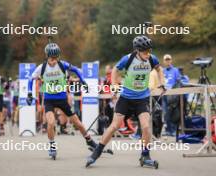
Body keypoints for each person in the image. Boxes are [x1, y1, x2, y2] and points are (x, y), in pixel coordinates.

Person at [86, 35, 165, 168]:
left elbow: (159, 69)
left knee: (146, 126)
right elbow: (115, 70)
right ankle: (97, 152)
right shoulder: (128, 59)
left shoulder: (152, 58)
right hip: (126, 98)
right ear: (138, 50)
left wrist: (162, 82)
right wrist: (114, 84)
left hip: (142, 98)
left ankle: (145, 156)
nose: (148, 53)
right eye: (145, 51)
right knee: (114, 126)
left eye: (149, 50)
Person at [27, 42, 98, 159]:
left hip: (62, 99)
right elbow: (31, 79)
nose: (53, 61)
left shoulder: (62, 65)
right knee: (50, 123)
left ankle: (89, 141)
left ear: (58, 56)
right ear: (47, 57)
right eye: (51, 58)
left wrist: (83, 81)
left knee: (78, 123)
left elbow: (77, 70)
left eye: (56, 58)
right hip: (49, 100)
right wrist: (30, 94)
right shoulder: (42, 68)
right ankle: (52, 146)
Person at [162, 54, 181, 136]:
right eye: (166, 60)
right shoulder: (162, 71)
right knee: (165, 112)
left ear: (171, 60)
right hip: (164, 94)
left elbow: (178, 81)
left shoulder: (175, 70)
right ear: (164, 61)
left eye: (169, 59)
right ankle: (168, 129)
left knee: (173, 112)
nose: (168, 61)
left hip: (173, 95)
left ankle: (173, 130)